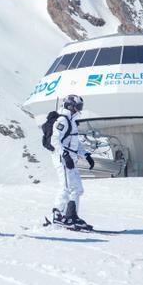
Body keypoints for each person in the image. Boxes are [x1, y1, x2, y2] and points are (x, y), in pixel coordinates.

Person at [50, 94, 94, 228]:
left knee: (77, 188)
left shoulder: (71, 121)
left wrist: (86, 155)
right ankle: (58, 214)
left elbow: (75, 142)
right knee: (67, 187)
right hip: (62, 159)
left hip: (70, 159)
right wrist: (65, 155)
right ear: (70, 106)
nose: (79, 109)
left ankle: (71, 215)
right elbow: (54, 140)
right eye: (78, 107)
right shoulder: (62, 120)